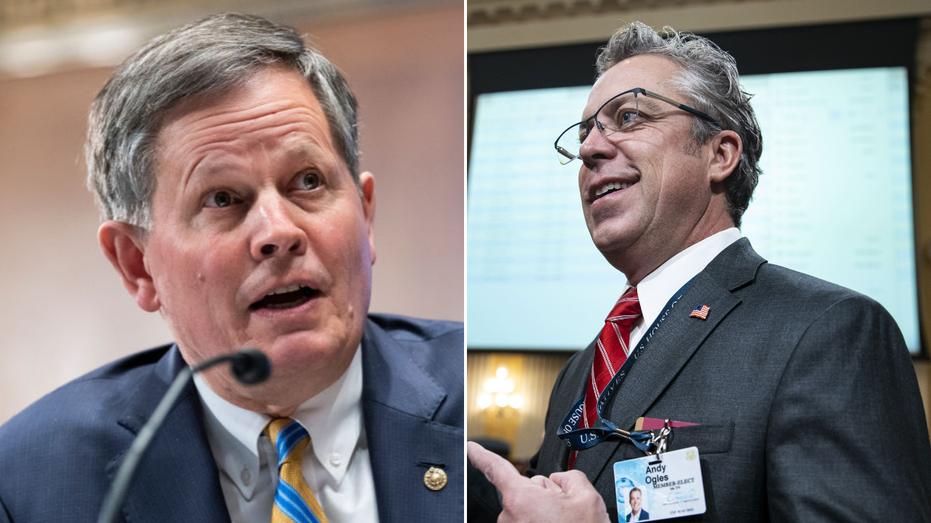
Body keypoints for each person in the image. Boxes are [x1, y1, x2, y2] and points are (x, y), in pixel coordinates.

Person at [0, 13, 462, 523]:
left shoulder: (469, 399)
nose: (279, 232)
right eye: (222, 198)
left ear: (366, 214)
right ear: (138, 265)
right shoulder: (31, 481)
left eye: (307, 181)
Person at [468, 21, 931, 522]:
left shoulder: (830, 332)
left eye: (628, 116)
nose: (589, 149)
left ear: (720, 155)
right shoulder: (580, 372)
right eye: (584, 133)